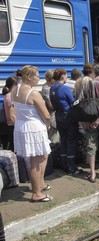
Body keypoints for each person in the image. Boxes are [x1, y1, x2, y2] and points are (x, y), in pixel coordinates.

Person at [12, 65, 52, 202]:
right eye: (37, 75)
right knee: (35, 161)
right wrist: (48, 124)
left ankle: (40, 184)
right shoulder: (33, 93)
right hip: (34, 129)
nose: (38, 78)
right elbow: (46, 115)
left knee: (40, 157)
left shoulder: (15, 89)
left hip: (22, 127)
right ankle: (36, 193)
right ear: (29, 77)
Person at [50, 68, 80, 174]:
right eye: (66, 75)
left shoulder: (52, 88)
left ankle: (63, 165)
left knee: (63, 141)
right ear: (62, 76)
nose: (67, 77)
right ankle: (71, 167)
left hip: (58, 117)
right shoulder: (64, 88)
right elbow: (73, 102)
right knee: (71, 142)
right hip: (68, 117)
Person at [2, 76, 17, 151]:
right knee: (13, 145)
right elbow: (12, 114)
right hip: (13, 125)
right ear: (14, 85)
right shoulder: (10, 96)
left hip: (11, 124)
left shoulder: (8, 95)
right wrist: (17, 125)